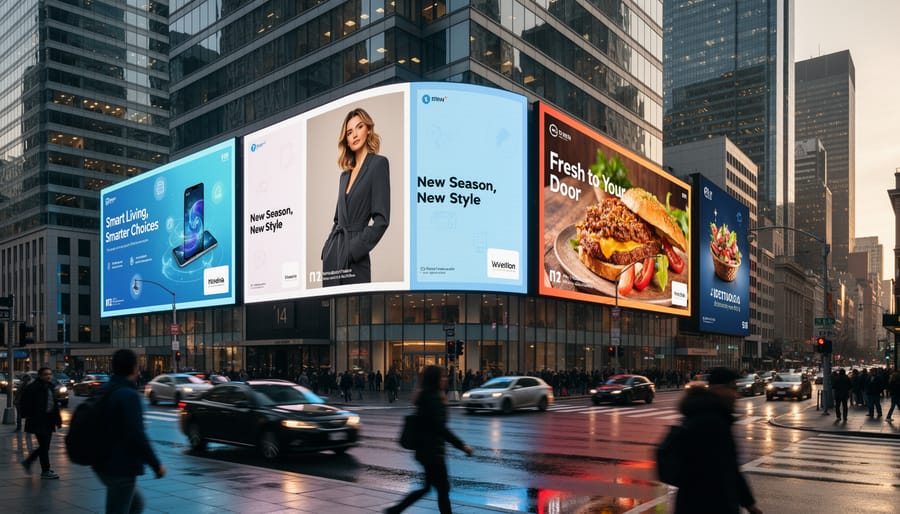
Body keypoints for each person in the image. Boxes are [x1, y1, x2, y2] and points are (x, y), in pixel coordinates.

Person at [671, 367, 762, 514]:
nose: (736, 395)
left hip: (695, 503)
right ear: (719, 389)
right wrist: (749, 504)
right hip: (710, 505)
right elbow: (728, 469)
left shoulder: (706, 415)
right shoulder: (712, 422)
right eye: (733, 389)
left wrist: (749, 503)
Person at [385, 365, 473, 514]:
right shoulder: (433, 398)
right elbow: (440, 428)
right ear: (435, 380)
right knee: (442, 489)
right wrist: (462, 446)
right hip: (433, 452)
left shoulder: (427, 395)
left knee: (430, 487)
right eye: (443, 377)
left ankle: (395, 509)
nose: (446, 379)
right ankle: (395, 509)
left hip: (425, 451)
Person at [321, 107, 391, 287]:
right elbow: (337, 219)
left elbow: (382, 220)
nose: (354, 135)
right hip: (333, 257)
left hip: (355, 258)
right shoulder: (344, 176)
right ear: (346, 139)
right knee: (332, 313)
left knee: (355, 313)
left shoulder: (378, 164)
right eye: (349, 132)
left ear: (368, 129)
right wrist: (328, 249)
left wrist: (352, 251)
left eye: (359, 127)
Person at [93, 349, 166, 513]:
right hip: (120, 465)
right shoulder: (128, 395)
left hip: (101, 462)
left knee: (136, 504)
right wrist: (156, 465)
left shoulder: (105, 389)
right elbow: (136, 434)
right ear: (134, 368)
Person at [20, 367, 63, 479]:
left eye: (50, 374)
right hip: (38, 421)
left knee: (45, 446)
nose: (48, 376)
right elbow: (24, 403)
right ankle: (45, 470)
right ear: (39, 375)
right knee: (44, 445)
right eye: (45, 374)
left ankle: (30, 462)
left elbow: (54, 406)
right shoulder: (33, 388)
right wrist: (27, 415)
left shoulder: (50, 387)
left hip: (48, 421)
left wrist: (58, 420)